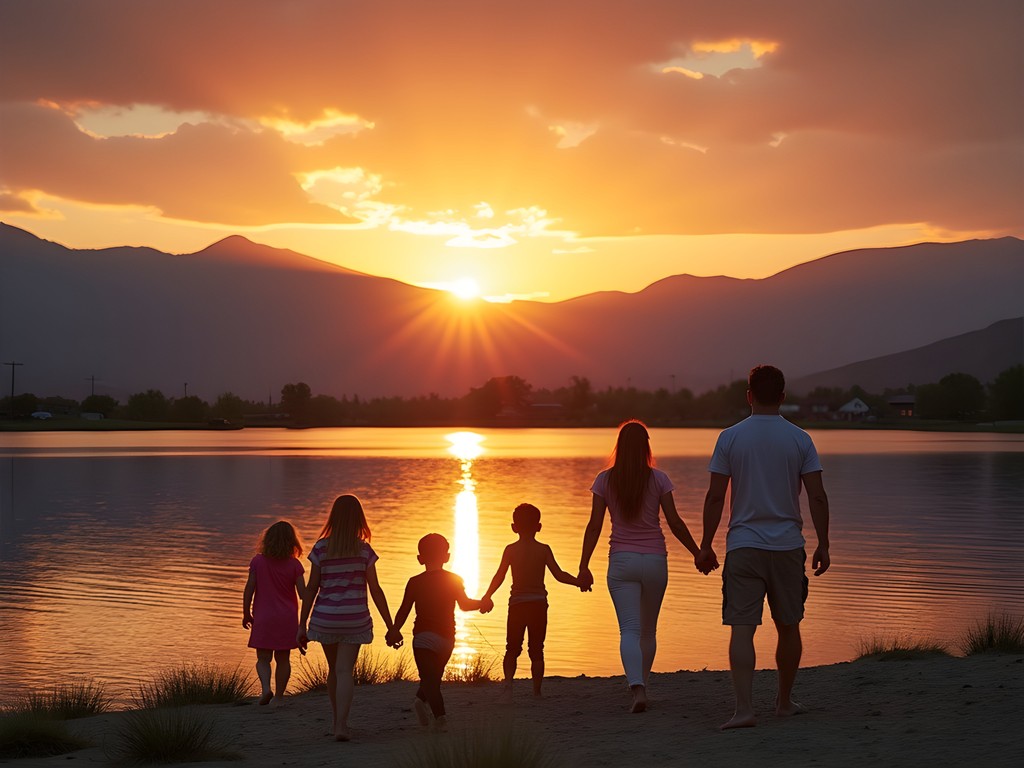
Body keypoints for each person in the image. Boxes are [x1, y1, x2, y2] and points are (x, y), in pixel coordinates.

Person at [696, 364, 831, 730]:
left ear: (749, 396)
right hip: (788, 547)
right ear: (783, 398)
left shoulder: (730, 438)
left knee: (742, 627)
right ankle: (784, 703)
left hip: (743, 547)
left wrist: (705, 545)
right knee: (788, 625)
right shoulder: (800, 439)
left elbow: (714, 497)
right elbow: (817, 497)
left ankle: (744, 710)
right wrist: (824, 544)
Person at [577, 419, 710, 714]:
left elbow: (594, 526)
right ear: (646, 447)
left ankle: (637, 687)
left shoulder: (604, 480)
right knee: (648, 631)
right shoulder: (659, 479)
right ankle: (642, 687)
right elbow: (674, 523)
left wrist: (583, 566)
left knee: (629, 630)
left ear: (619, 447)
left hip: (622, 562)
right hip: (654, 562)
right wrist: (697, 552)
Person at [297, 495, 397, 741]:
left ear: (333, 518)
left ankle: (336, 723)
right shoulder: (363, 550)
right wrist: (390, 625)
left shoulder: (321, 548)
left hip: (326, 618)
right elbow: (376, 590)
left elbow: (311, 588)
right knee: (344, 671)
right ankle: (342, 724)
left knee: (334, 670)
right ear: (358, 519)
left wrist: (301, 624)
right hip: (355, 619)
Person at [479, 503, 579, 698]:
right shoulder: (543, 550)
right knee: (537, 649)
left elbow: (499, 576)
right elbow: (559, 575)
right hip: (538, 605)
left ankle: (508, 684)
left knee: (512, 647)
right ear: (539, 527)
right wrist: (578, 582)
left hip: (517, 605)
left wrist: (487, 595)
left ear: (514, 527)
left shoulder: (510, 550)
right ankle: (536, 691)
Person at [385, 533, 483, 732]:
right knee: (432, 679)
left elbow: (404, 609)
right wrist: (483, 603)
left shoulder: (414, 582)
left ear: (420, 559)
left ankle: (431, 712)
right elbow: (465, 605)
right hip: (447, 639)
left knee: (431, 680)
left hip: (423, 638)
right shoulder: (454, 579)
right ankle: (431, 712)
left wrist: (394, 630)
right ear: (446, 557)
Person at [242, 520, 306, 707]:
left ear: (267, 540)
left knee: (263, 658)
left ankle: (265, 689)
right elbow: (303, 594)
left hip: (264, 617)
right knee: (283, 659)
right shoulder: (295, 565)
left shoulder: (257, 561)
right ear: (292, 542)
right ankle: (278, 697)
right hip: (287, 619)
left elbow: (249, 589)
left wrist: (246, 613)